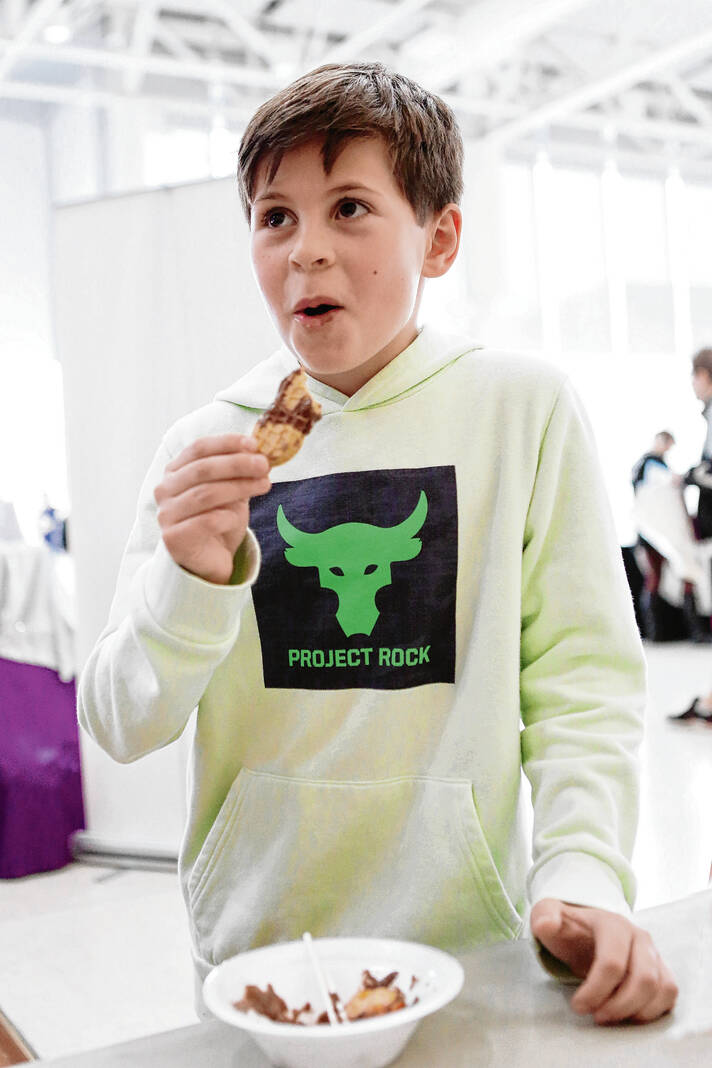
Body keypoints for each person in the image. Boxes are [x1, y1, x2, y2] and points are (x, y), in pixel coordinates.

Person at [77, 62, 677, 1026]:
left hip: (473, 956)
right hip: (259, 967)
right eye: (275, 217)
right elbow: (118, 721)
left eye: (349, 208)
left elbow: (584, 683)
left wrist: (585, 874)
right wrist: (187, 579)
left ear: (439, 239)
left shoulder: (520, 409)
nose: (306, 250)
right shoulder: (208, 446)